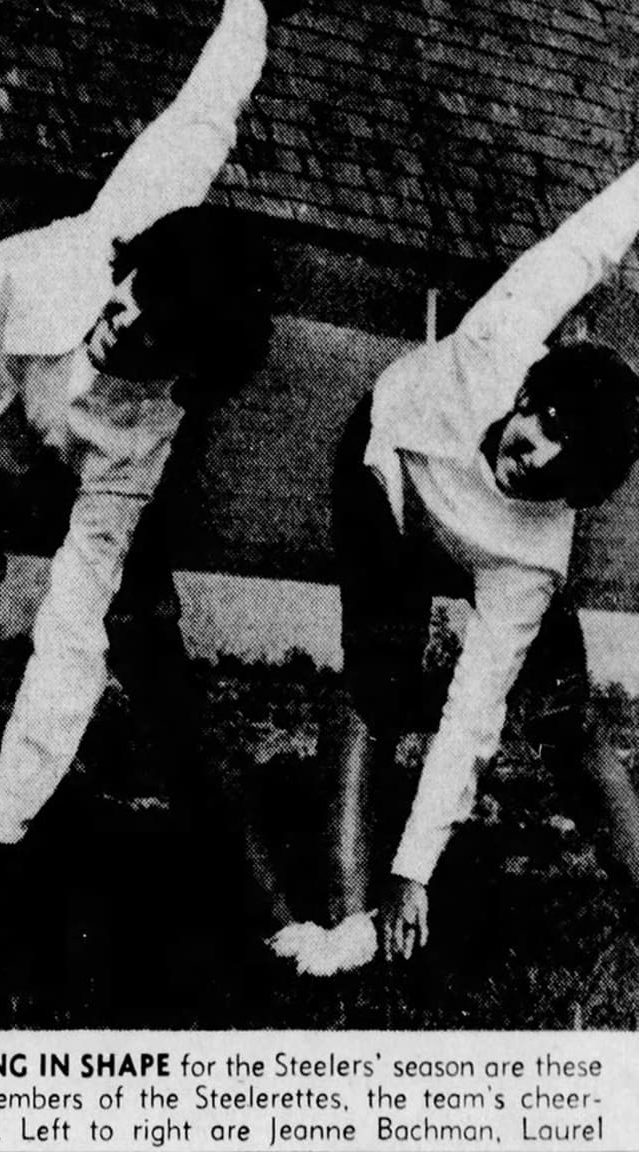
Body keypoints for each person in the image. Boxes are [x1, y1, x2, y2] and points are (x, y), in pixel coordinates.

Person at [0, 0, 306, 963]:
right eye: (130, 291)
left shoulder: (144, 443)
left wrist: (1, 841)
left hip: (83, 452)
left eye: (151, 332)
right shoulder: (145, 212)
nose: (119, 317)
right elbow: (211, 106)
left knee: (135, 641)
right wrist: (252, 5)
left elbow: (66, 646)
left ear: (186, 365)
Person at [272, 162, 639, 977]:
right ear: (528, 391)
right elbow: (586, 248)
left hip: (485, 547)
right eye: (541, 421)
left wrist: (417, 873)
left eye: (561, 464)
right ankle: (345, 924)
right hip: (388, 468)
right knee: (377, 684)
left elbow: (475, 711)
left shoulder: (535, 557)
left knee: (559, 715)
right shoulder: (500, 336)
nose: (533, 453)